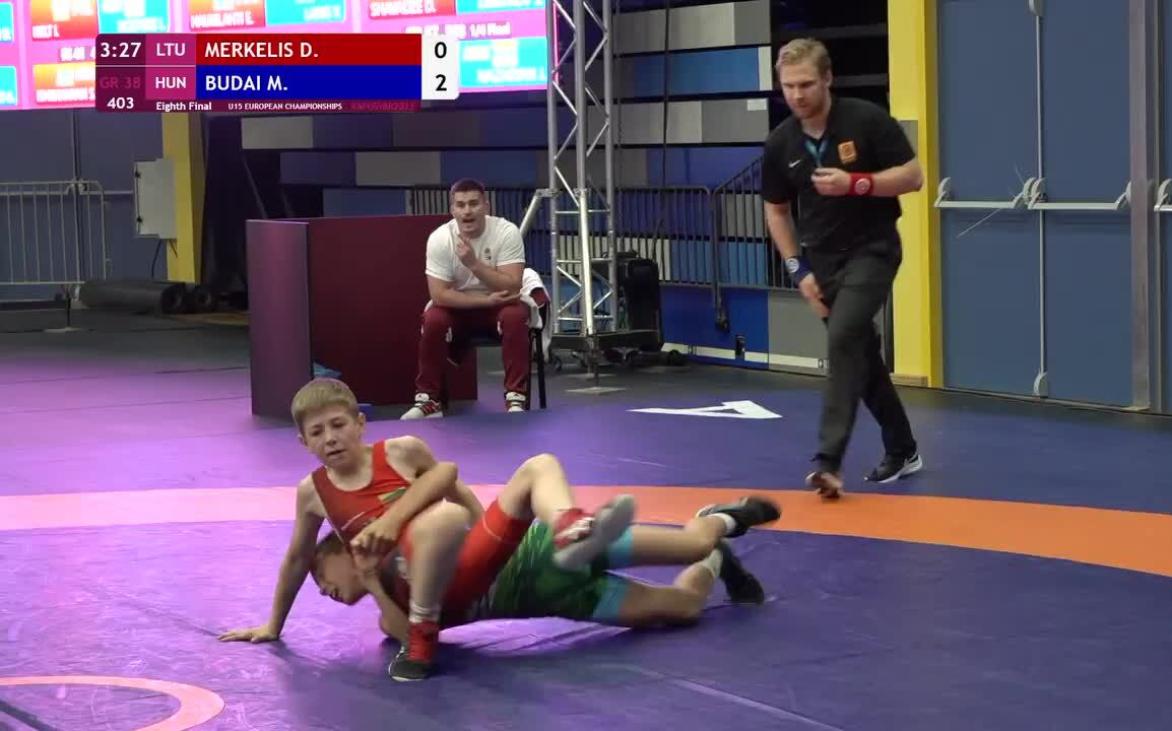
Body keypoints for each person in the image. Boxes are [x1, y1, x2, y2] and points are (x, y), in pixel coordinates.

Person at [218, 378, 637, 683]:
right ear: (303, 442)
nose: (330, 438)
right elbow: (296, 557)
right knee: (442, 519)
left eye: (338, 424)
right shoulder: (313, 493)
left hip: (453, 556)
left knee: (539, 465)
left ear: (360, 423)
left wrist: (483, 531)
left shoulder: (401, 451)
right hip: (413, 583)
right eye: (317, 432)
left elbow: (451, 481)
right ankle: (421, 627)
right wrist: (273, 624)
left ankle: (569, 528)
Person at [310, 461, 779, 647]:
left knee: (693, 542)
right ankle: (717, 557)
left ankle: (715, 521)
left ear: (346, 547)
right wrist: (370, 582)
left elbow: (446, 496)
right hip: (562, 598)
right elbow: (413, 637)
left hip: (546, 549)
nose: (323, 589)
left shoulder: (412, 545)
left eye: (321, 575)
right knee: (687, 607)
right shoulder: (389, 614)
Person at [760, 38, 925, 499]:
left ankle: (828, 461)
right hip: (822, 262)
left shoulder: (866, 119)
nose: (797, 95)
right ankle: (903, 448)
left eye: (806, 84)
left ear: (828, 79)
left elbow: (913, 177)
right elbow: (776, 211)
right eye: (788, 86)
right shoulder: (781, 143)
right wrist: (798, 270)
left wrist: (856, 183)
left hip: (873, 249)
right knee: (861, 355)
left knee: (844, 336)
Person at [403, 177, 533, 419]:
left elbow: (513, 285)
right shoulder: (440, 239)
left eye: (474, 204)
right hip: (462, 308)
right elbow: (439, 295)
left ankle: (515, 398)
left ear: (486, 206)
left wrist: (474, 264)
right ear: (452, 210)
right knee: (433, 319)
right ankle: (429, 400)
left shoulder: (506, 232)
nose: (467, 211)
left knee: (515, 316)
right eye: (461, 205)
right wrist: (486, 299)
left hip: (500, 307)